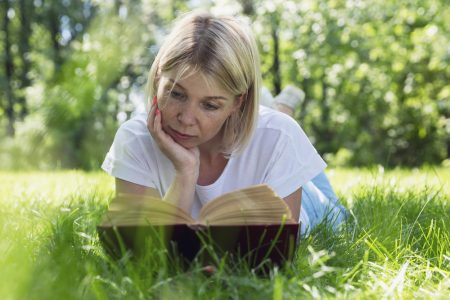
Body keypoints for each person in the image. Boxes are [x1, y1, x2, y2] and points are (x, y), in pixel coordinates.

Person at [102, 11, 345, 236]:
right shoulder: (134, 140)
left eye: (210, 105)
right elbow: (147, 251)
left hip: (312, 202)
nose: (186, 119)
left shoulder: (280, 136)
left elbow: (278, 252)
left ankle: (282, 108)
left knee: (284, 131)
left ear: (237, 103)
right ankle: (274, 105)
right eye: (176, 93)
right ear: (157, 79)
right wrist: (185, 172)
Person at [261, 85, 348, 232]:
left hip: (294, 202)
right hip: (281, 188)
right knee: (337, 209)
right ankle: (280, 116)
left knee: (340, 214)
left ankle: (281, 118)